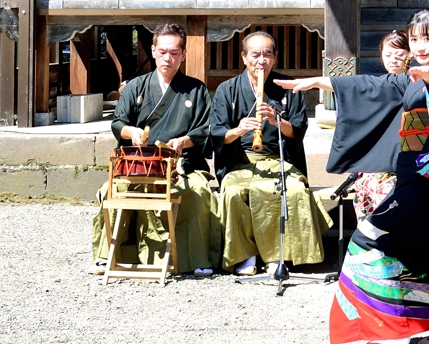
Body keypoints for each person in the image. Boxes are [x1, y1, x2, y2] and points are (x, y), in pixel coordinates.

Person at [279, 8, 429, 344]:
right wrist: (318, 82)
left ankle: (392, 335)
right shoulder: (409, 78)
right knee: (401, 253)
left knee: (369, 239)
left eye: (428, 38)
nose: (420, 45)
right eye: (415, 38)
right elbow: (370, 85)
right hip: (417, 178)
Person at [91, 22, 221, 276]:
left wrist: (185, 140)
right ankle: (110, 255)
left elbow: (207, 128)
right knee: (111, 190)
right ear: (152, 51)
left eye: (174, 52)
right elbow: (118, 122)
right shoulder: (135, 87)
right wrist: (132, 132)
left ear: (183, 54)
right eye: (162, 51)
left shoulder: (196, 90)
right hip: (140, 163)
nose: (167, 57)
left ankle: (194, 258)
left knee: (196, 193)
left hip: (182, 165)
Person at [210, 30, 331, 276]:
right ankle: (245, 255)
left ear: (274, 58)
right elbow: (217, 133)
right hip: (240, 161)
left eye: (267, 54)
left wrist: (277, 121)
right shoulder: (226, 89)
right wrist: (238, 129)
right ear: (244, 57)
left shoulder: (288, 88)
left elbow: (297, 130)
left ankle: (280, 254)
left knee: (294, 190)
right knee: (233, 191)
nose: (261, 60)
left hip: (279, 159)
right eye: (255, 54)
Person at [350, 29, 411, 221]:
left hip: (410, 161)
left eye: (399, 55)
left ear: (410, 55)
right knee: (365, 186)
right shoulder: (374, 86)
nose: (393, 60)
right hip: (377, 163)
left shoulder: (418, 84)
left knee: (390, 193)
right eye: (388, 55)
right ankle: (369, 244)